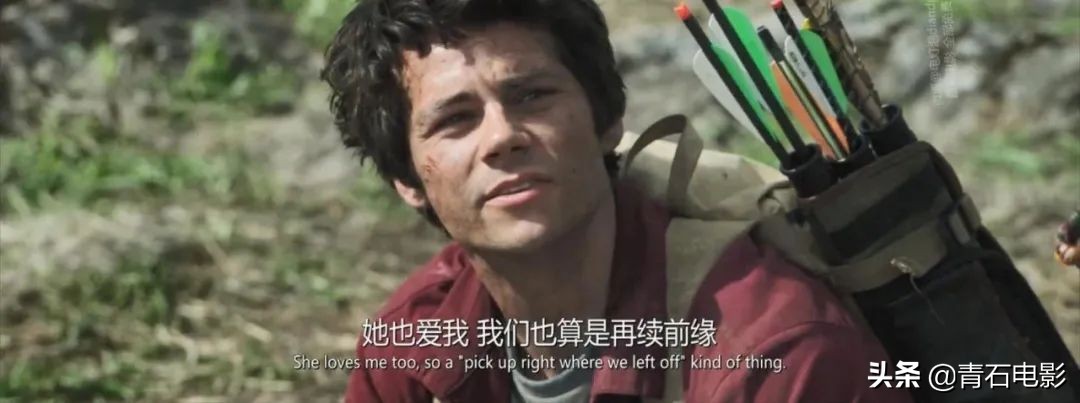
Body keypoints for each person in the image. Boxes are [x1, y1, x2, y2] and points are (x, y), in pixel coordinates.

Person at [322, 0, 914, 401]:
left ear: (607, 122)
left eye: (531, 96)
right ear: (407, 179)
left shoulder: (774, 357)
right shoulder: (412, 348)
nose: (503, 136)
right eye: (455, 120)